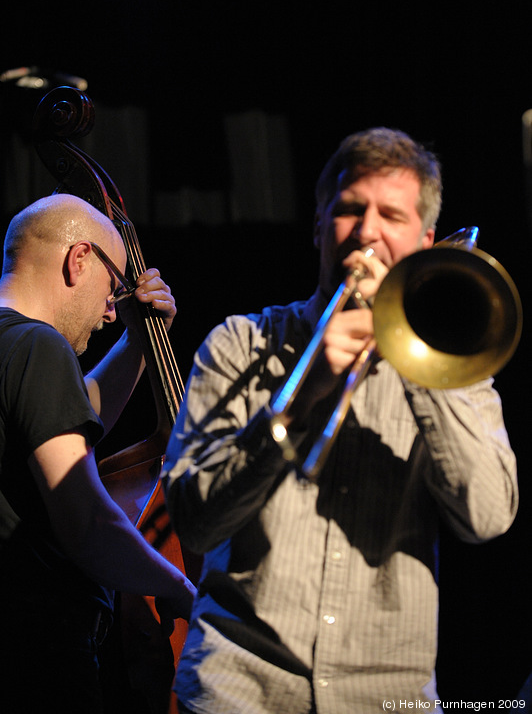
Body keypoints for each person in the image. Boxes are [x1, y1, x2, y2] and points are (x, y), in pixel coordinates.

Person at [162, 127, 519, 714]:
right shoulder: (238, 344)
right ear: (318, 226)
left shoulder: (457, 369)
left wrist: (413, 356)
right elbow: (196, 526)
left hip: (385, 698)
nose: (368, 232)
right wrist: (300, 396)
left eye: (391, 215)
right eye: (350, 209)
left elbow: (486, 515)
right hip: (240, 689)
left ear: (427, 240)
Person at [0, 194, 196, 714]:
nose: (112, 311)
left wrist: (139, 340)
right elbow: (85, 521)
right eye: (113, 289)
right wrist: (179, 586)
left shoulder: (13, 347)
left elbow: (70, 416)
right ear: (78, 258)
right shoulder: (39, 346)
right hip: (35, 657)